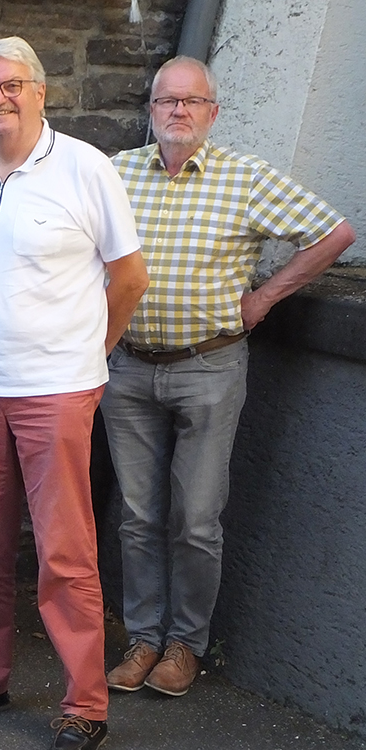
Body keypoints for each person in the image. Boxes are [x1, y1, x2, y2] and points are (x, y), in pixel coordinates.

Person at [0, 37, 148, 750]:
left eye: (11, 85)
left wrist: (89, 357)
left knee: (64, 550)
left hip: (56, 390)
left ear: (40, 91)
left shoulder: (85, 168)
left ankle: (86, 703)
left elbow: (129, 278)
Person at [103, 56, 356, 698]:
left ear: (213, 113)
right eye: (167, 101)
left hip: (208, 367)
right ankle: (142, 637)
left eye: (192, 101)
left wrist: (266, 297)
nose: (179, 111)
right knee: (136, 513)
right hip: (127, 365)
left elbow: (334, 232)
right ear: (151, 110)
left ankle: (185, 643)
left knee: (195, 516)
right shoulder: (113, 174)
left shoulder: (245, 177)